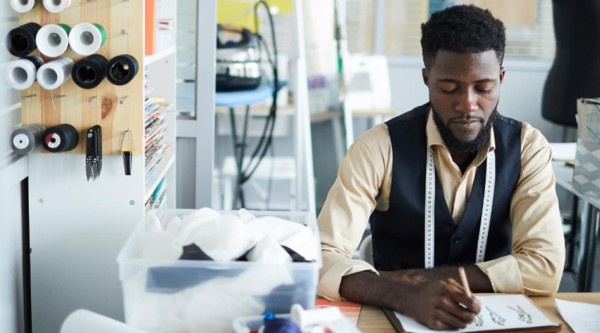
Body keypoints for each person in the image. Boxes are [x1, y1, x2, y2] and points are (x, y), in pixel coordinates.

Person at [317, 5, 565, 331]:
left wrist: (415, 281)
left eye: (484, 87)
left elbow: (545, 266)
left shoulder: (527, 148)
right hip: (393, 318)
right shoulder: (378, 147)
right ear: (427, 78)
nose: (467, 105)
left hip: (495, 320)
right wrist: (402, 295)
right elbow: (321, 257)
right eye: (449, 88)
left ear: (501, 78)